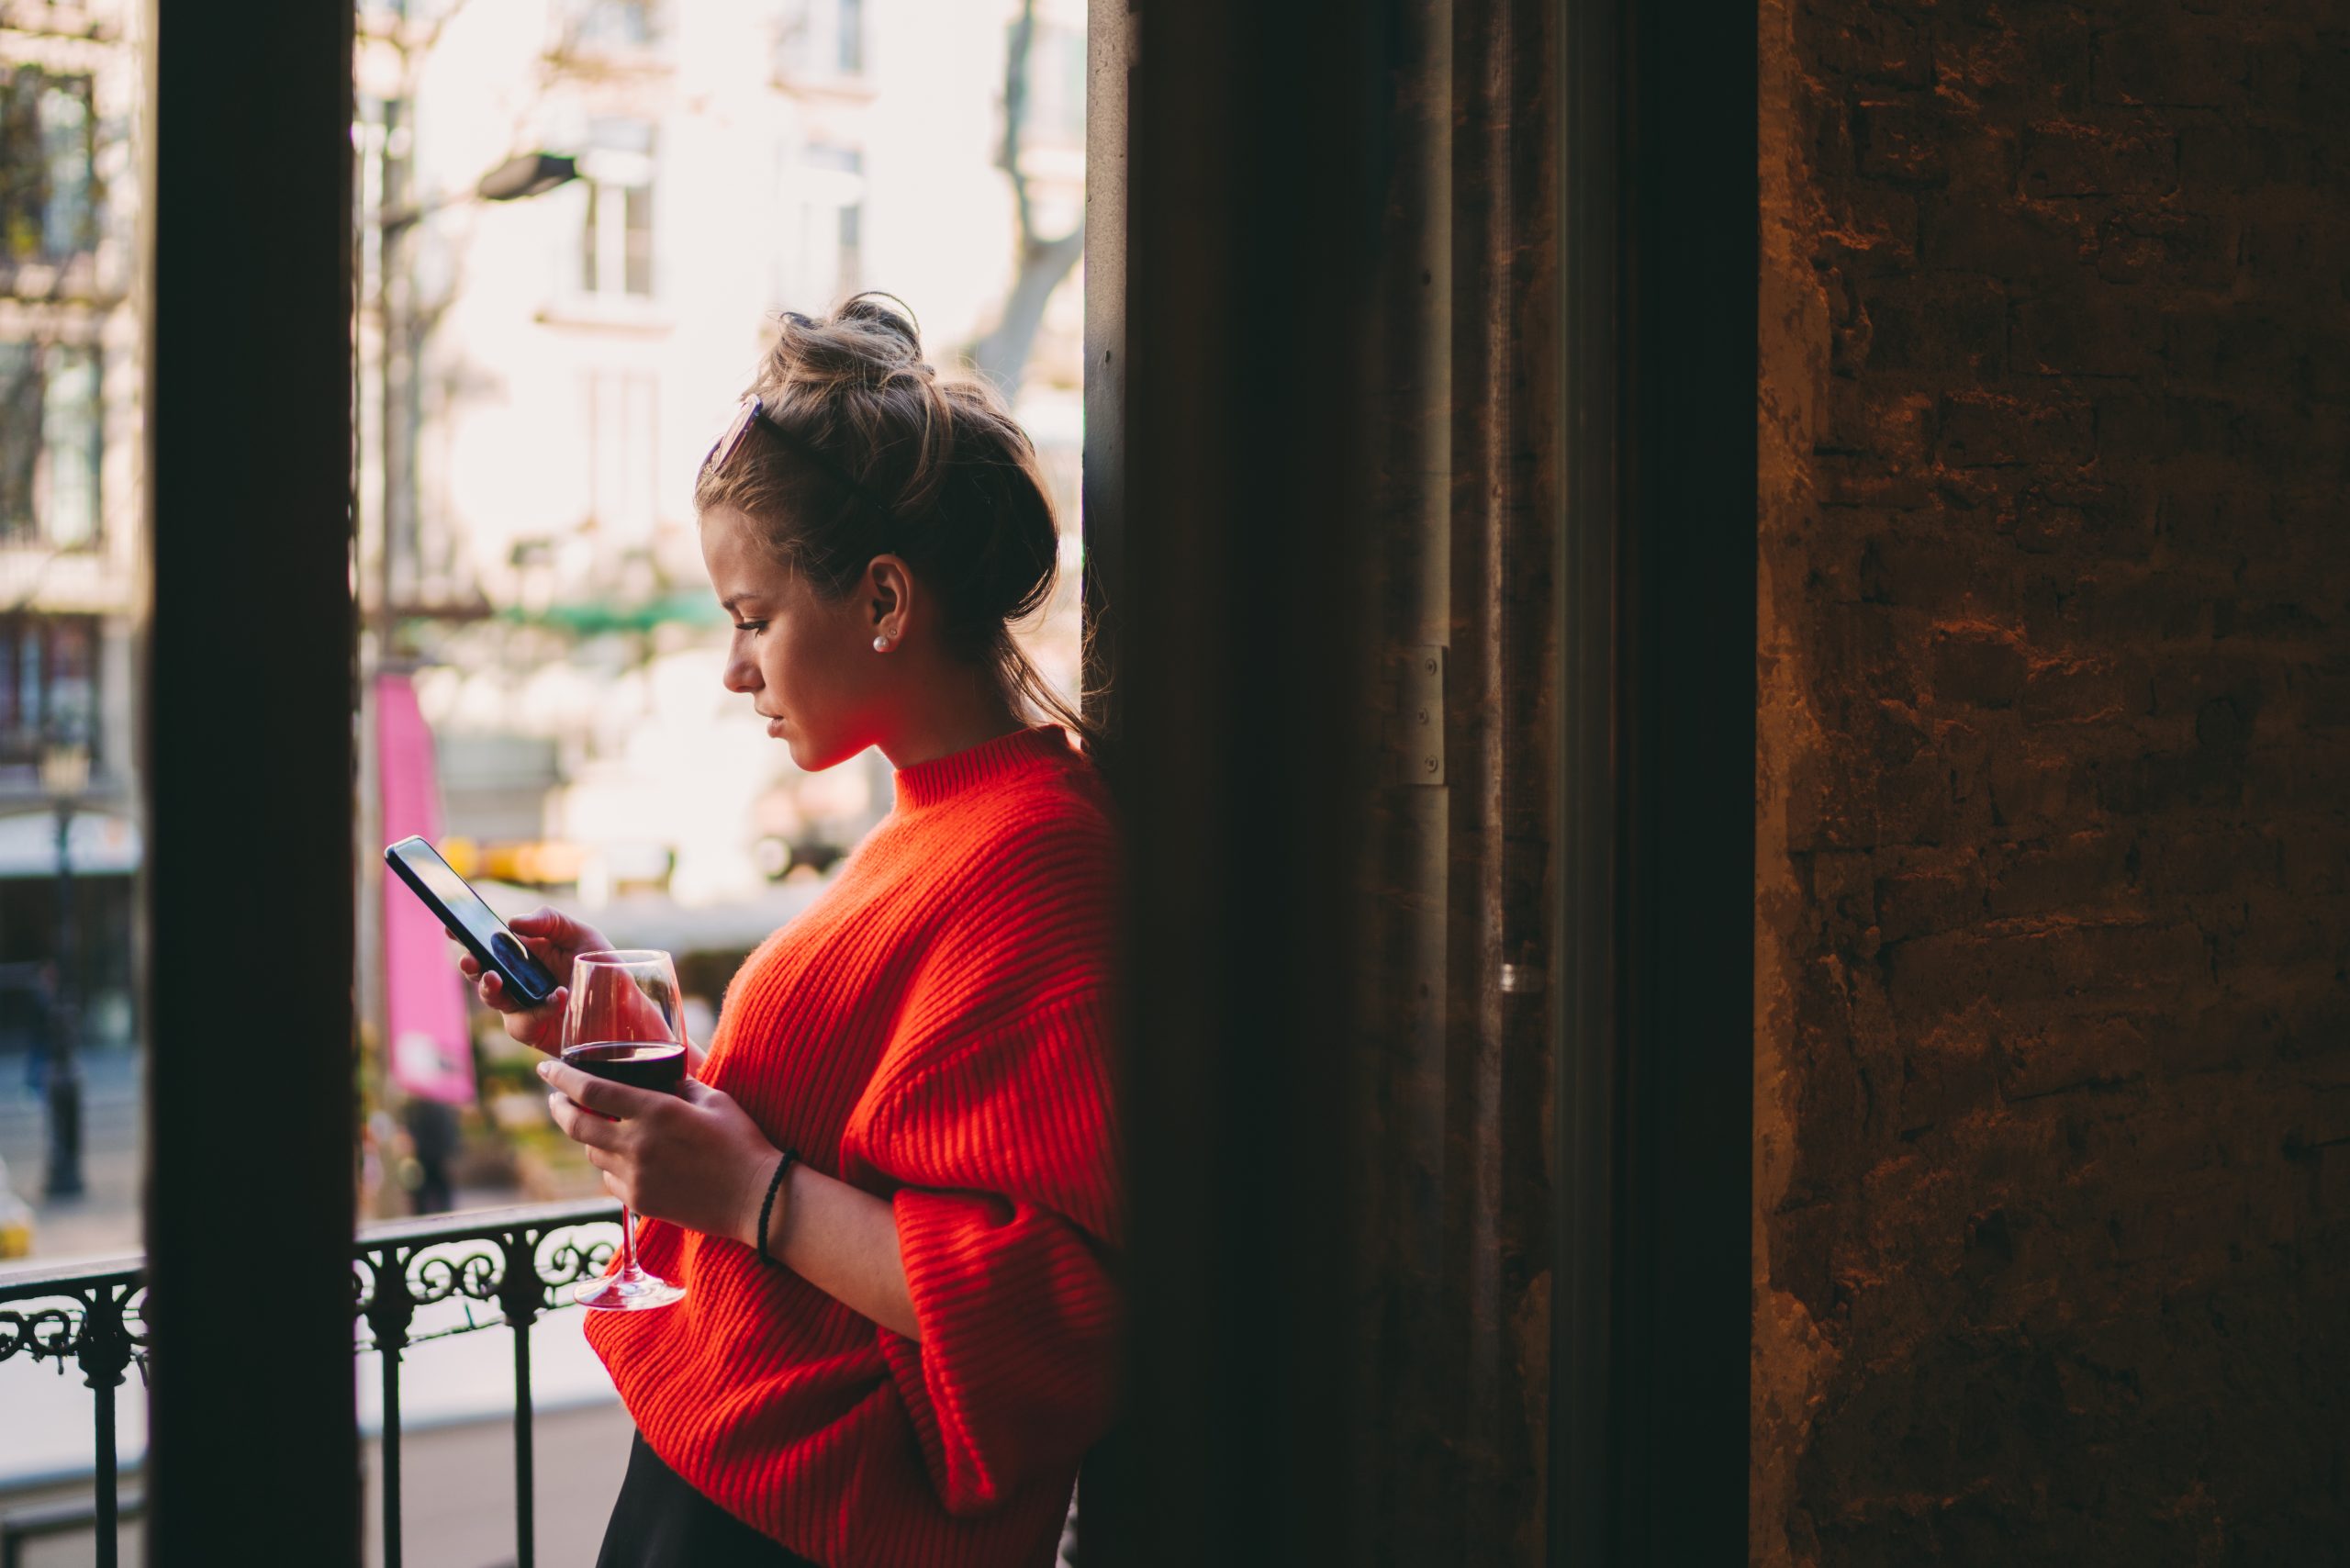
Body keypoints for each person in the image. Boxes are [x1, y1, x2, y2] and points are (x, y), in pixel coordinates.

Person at [458, 296, 1119, 1568]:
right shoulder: (936, 823)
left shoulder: (1039, 857)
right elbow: (847, 1136)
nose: (734, 668)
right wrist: (624, 1021)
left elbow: (1057, 1311)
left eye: (752, 617)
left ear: (883, 597)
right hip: (739, 1484)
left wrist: (751, 1199)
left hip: (806, 1530)